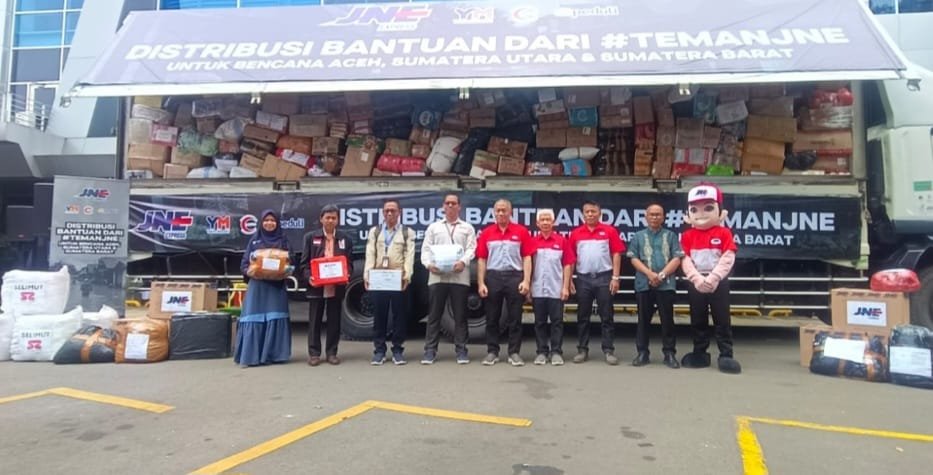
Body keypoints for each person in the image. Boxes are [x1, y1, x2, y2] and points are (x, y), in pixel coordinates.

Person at [680, 183, 742, 374]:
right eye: (694, 209)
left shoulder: (724, 233)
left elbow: (728, 257)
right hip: (696, 282)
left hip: (719, 282)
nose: (701, 214)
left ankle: (726, 354)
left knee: (722, 318)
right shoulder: (687, 235)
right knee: (697, 318)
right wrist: (696, 279)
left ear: (720, 211)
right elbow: (684, 259)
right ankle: (700, 352)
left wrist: (714, 277)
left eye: (708, 208)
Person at [420, 193, 477, 365]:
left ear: (459, 207)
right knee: (434, 315)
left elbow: (472, 248)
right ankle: (430, 351)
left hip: (459, 277)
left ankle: (461, 350)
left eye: (453, 203)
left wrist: (463, 261)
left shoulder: (467, 228)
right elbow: (425, 250)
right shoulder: (433, 227)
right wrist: (429, 265)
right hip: (437, 277)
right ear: (443, 207)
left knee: (460, 316)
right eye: (447, 203)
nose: (450, 206)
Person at [476, 199, 533, 367]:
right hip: (493, 277)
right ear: (494, 213)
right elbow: (481, 259)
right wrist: (481, 283)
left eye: (504, 210)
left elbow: (527, 257)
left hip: (515, 277)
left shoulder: (521, 231)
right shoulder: (486, 233)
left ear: (510, 212)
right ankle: (492, 352)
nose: (501, 213)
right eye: (498, 210)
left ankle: (514, 353)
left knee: (515, 318)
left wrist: (526, 281)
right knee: (492, 317)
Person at [568, 200, 626, 365]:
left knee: (606, 316)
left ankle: (608, 350)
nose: (590, 214)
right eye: (587, 212)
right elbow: (571, 258)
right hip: (583, 278)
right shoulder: (576, 233)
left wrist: (615, 277)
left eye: (593, 211)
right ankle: (582, 350)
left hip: (604, 277)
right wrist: (570, 279)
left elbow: (616, 254)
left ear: (600, 213)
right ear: (583, 214)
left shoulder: (609, 231)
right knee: (582, 316)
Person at [627, 203, 684, 368]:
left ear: (663, 217)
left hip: (666, 284)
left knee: (668, 320)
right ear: (646, 217)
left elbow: (677, 258)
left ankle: (669, 353)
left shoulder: (671, 236)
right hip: (643, 284)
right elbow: (633, 258)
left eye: (658, 214)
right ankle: (642, 353)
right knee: (643, 321)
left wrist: (661, 275)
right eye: (651, 214)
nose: (654, 217)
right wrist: (650, 274)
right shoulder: (638, 236)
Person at [234, 209, 292, 367]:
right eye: (266, 220)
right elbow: (244, 264)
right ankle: (250, 356)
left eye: (273, 220)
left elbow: (290, 262)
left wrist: (285, 270)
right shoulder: (254, 241)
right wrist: (251, 271)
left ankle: (275, 355)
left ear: (277, 223)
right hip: (257, 287)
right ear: (261, 222)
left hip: (276, 287)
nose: (269, 223)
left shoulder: (283, 240)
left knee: (275, 316)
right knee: (254, 317)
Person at [299, 204, 354, 366]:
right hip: (316, 286)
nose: (330, 220)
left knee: (334, 321)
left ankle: (332, 353)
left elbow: (349, 263)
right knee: (314, 320)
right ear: (321, 219)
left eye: (333, 218)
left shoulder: (345, 239)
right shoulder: (310, 238)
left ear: (338, 220)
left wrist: (347, 274)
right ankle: (314, 354)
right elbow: (304, 264)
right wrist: (309, 277)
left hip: (336, 286)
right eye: (327, 217)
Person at [364, 199, 416, 366]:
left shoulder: (407, 232)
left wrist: (407, 276)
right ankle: (379, 351)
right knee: (379, 316)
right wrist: (367, 275)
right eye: (387, 210)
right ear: (382, 212)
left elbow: (409, 256)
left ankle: (398, 350)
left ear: (399, 212)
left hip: (398, 279)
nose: (390, 213)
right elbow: (370, 254)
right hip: (379, 278)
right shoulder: (375, 231)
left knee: (399, 316)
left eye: (393, 210)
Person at [529, 209, 575, 366]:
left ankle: (556, 352)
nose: (545, 222)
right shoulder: (532, 242)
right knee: (539, 322)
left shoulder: (561, 241)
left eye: (548, 219)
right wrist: (528, 286)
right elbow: (528, 265)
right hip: (537, 289)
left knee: (557, 322)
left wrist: (565, 287)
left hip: (556, 289)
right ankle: (541, 352)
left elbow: (567, 264)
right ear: (537, 223)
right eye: (542, 220)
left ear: (553, 222)